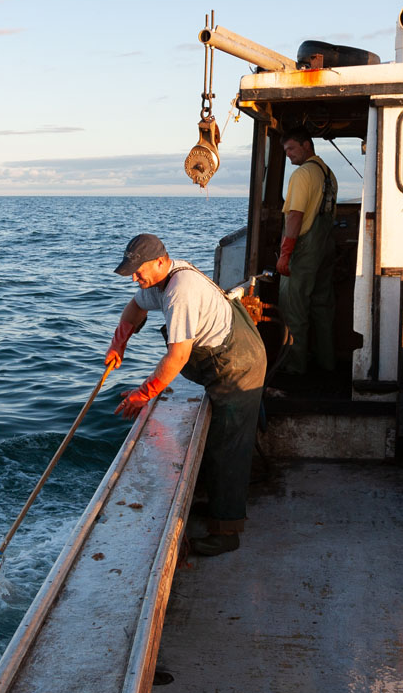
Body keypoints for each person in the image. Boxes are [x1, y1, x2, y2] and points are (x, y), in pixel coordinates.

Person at [105, 233, 266, 556]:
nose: (135, 279)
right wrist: (118, 342)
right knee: (225, 438)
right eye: (131, 273)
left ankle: (226, 531)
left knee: (227, 446)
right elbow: (136, 308)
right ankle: (225, 499)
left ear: (160, 262)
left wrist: (143, 394)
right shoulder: (160, 280)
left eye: (138, 271)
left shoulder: (180, 291)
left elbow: (177, 357)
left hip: (238, 364)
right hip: (226, 356)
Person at [276, 128, 337, 378]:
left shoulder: (302, 174)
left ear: (306, 145)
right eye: (285, 150)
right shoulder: (328, 174)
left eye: (291, 148)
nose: (288, 155)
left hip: (303, 251)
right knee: (322, 307)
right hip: (324, 249)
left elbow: (295, 216)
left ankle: (295, 368)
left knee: (293, 308)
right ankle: (327, 364)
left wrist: (285, 254)